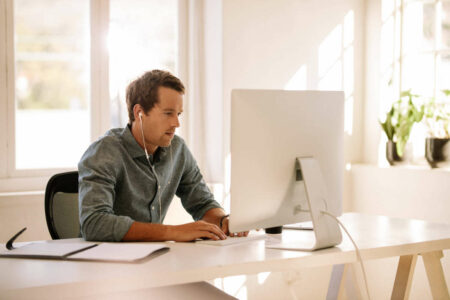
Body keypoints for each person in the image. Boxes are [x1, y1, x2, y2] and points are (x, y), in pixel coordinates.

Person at [78, 69, 246, 242]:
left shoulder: (178, 149)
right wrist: (172, 232)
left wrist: (223, 220)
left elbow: (203, 204)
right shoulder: (105, 151)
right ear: (139, 113)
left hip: (152, 260)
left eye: (178, 114)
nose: (176, 123)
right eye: (168, 113)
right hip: (104, 263)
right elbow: (94, 223)